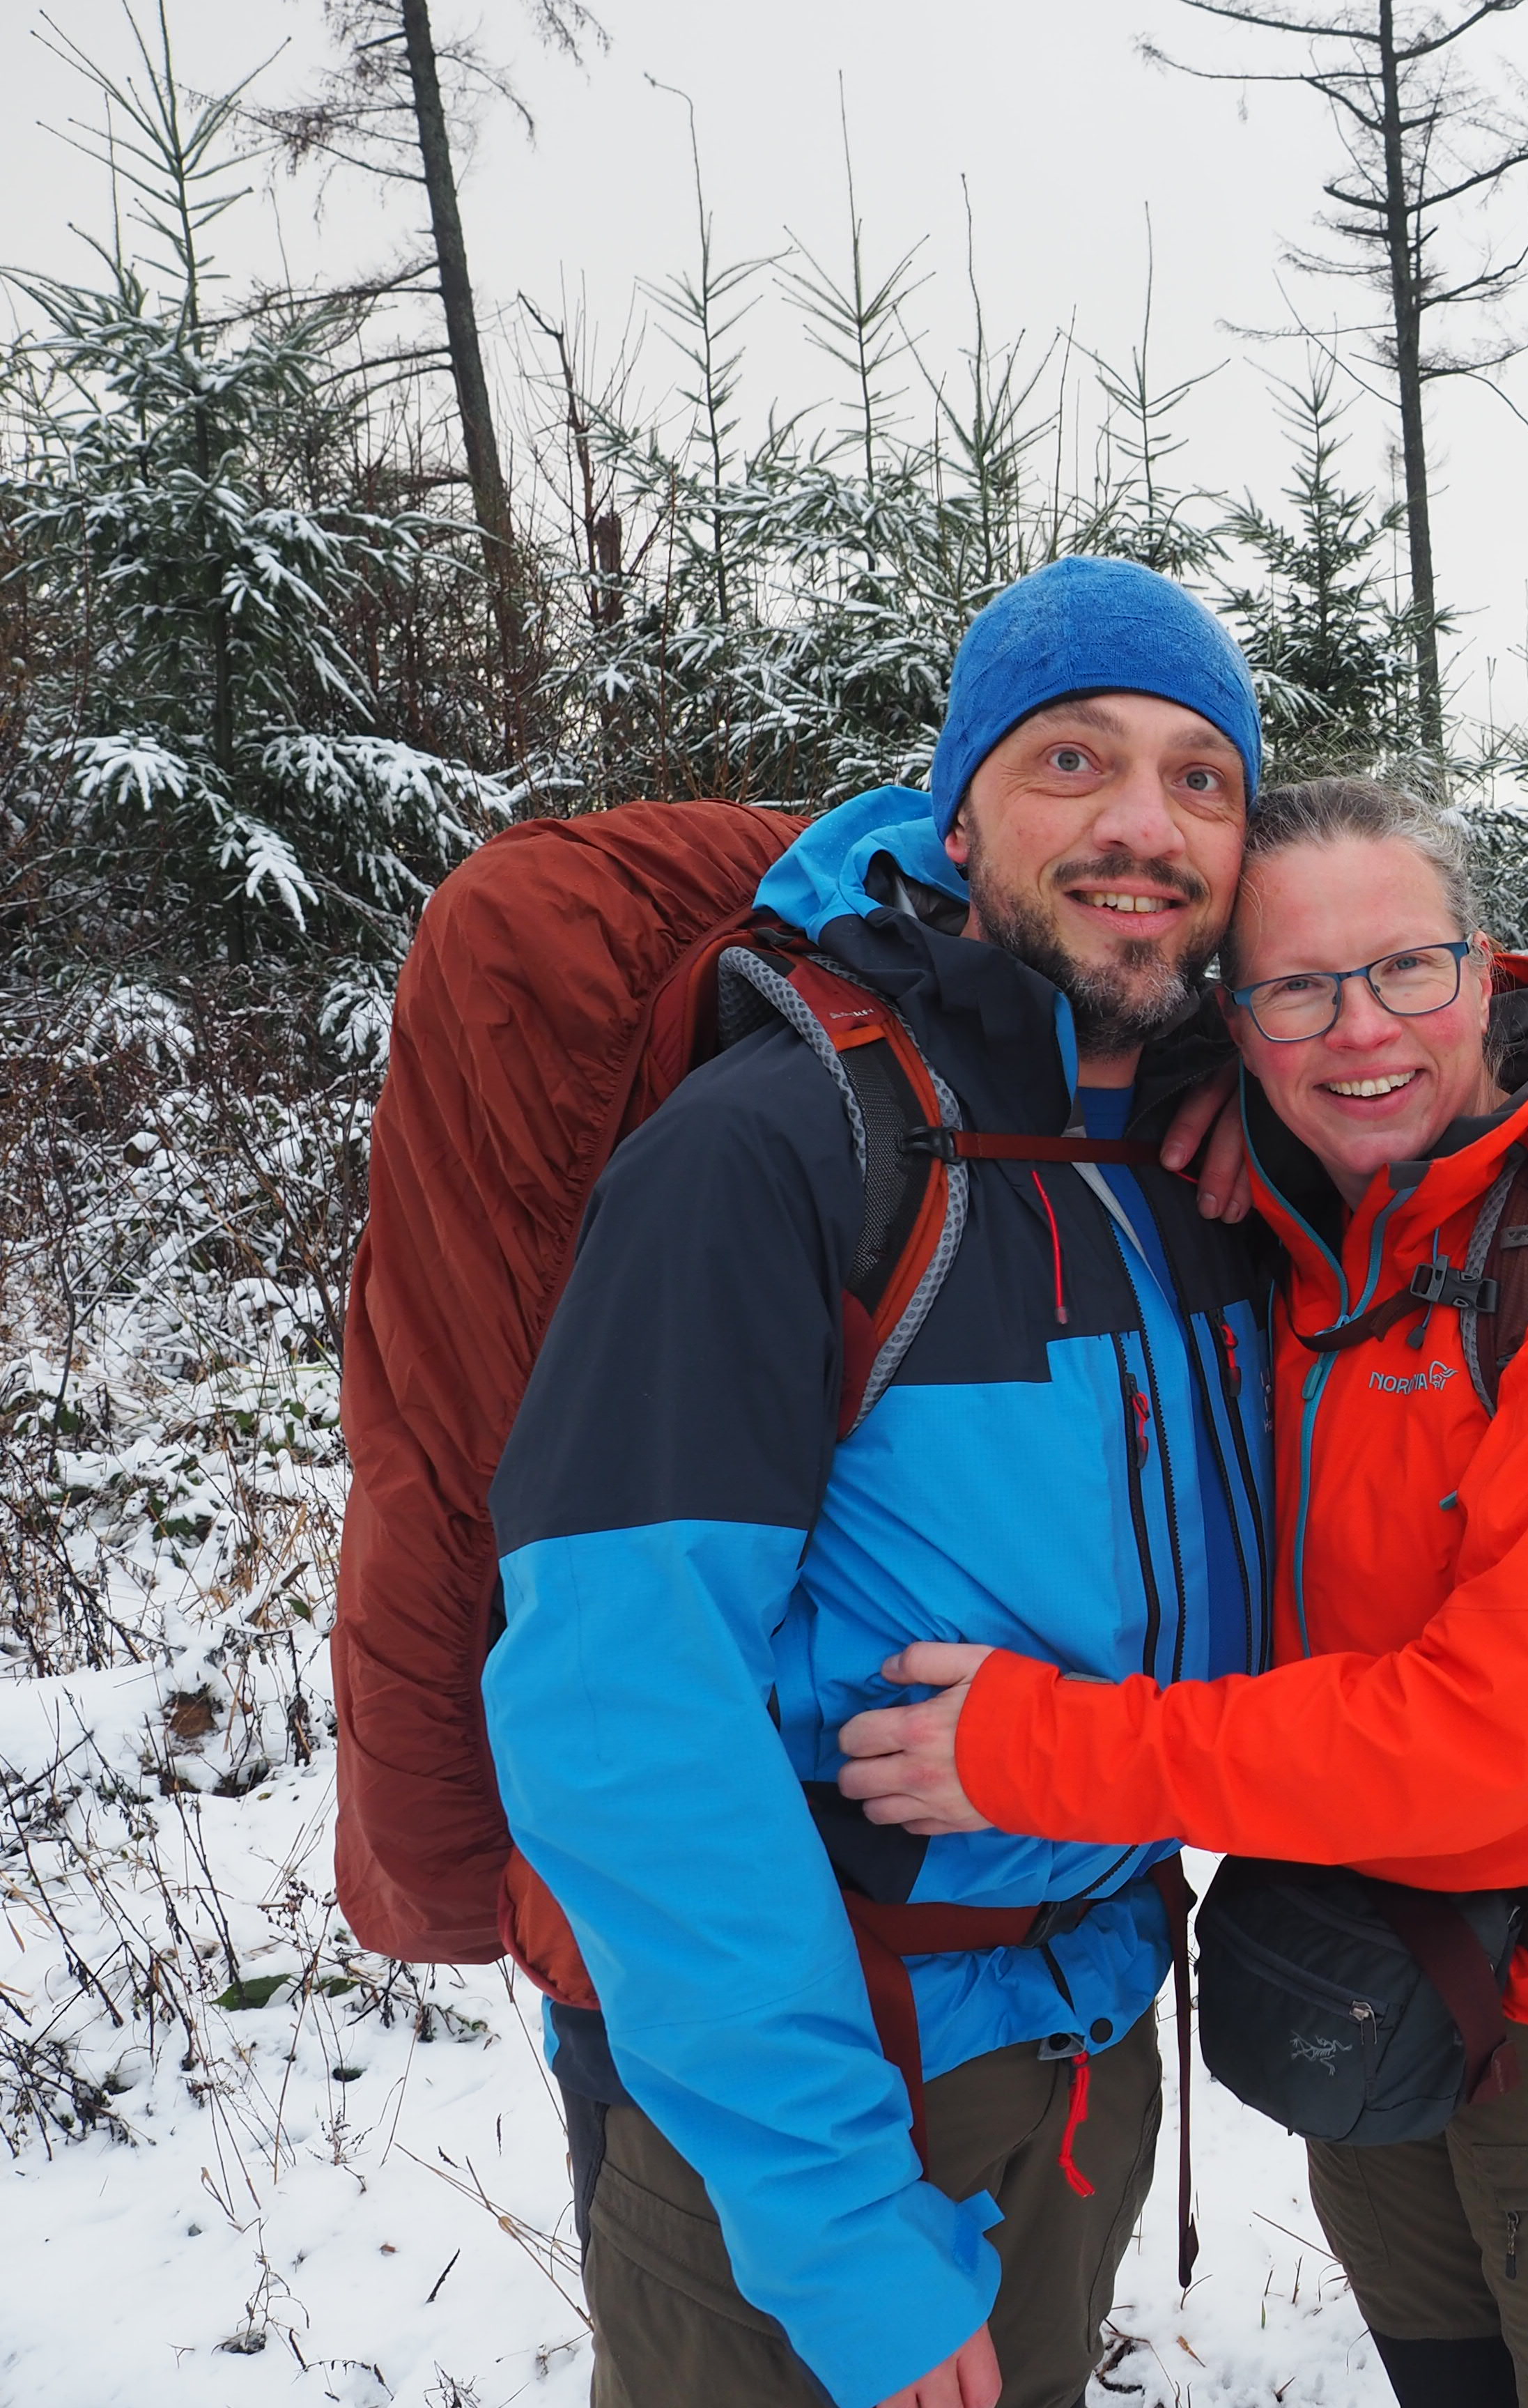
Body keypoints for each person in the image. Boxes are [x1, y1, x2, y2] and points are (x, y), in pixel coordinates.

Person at [838, 777, 1528, 2408]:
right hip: (1382, 1987)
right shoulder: (1310, 1228)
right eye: (1296, 988)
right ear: (1233, 1021)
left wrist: (1035, 1751)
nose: (1361, 1029)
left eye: (1408, 969)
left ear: (1486, 971)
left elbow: (1491, 1738)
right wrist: (1240, 1100)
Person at [483, 557, 1274, 2408]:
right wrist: (837, 2220)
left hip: (1083, 2054)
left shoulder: (1195, 1164)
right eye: (1073, 759)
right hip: (820, 2093)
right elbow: (619, 1707)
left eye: (1202, 778)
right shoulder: (778, 1151)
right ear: (958, 813)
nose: (1144, 824)